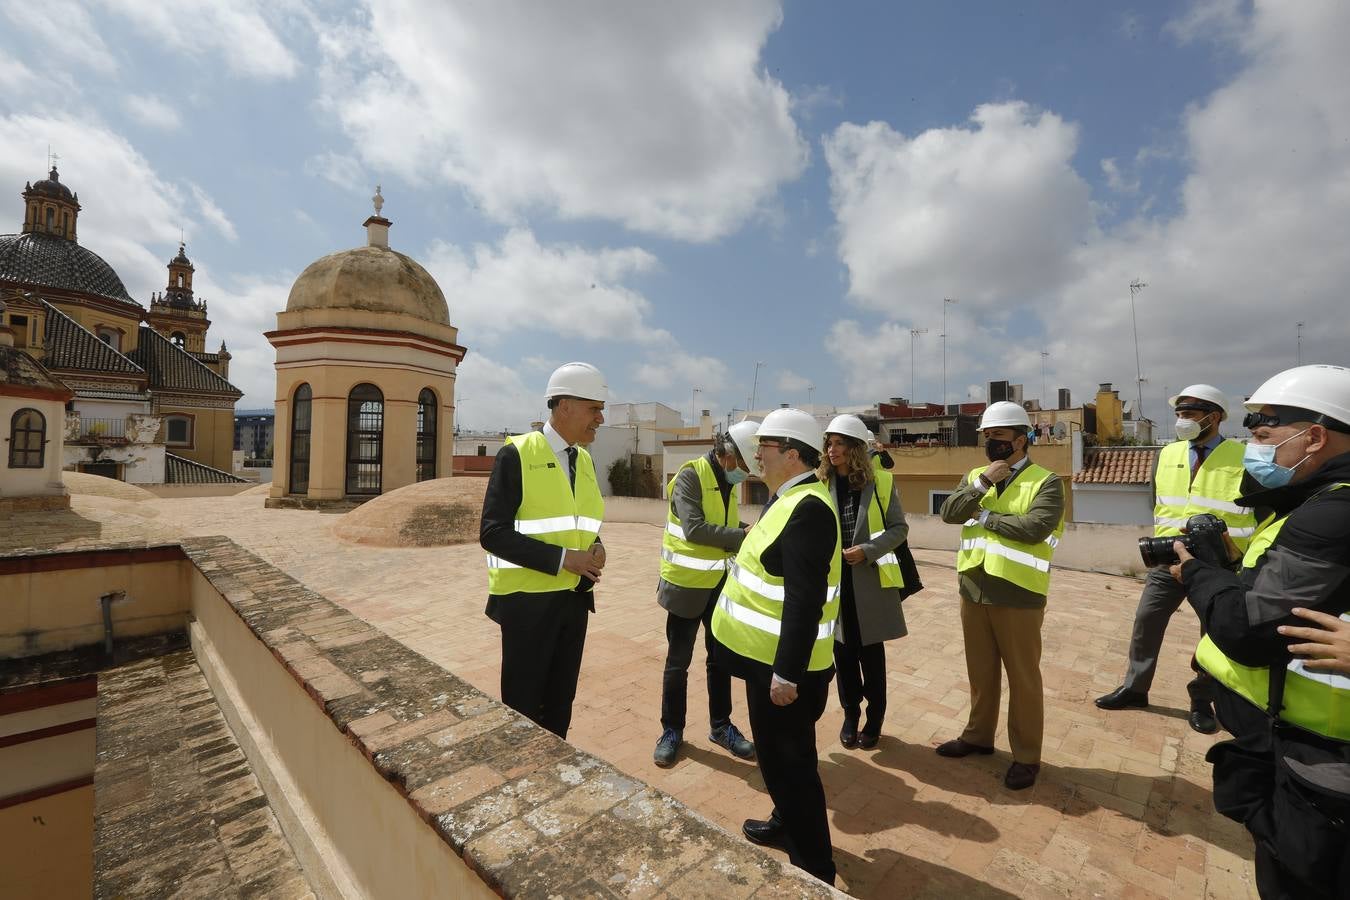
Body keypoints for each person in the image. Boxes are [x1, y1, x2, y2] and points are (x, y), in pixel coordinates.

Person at [1172, 364, 1350, 899]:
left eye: (1264, 429)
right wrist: (1228, 566)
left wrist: (1197, 573)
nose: (1255, 442)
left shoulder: (1332, 512)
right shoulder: (1310, 502)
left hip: (1322, 761)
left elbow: (1245, 629)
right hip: (1292, 740)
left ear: (1315, 435)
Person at [711, 408, 840, 884]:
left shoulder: (808, 509)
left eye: (763, 447)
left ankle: (815, 870)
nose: (755, 455)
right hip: (766, 662)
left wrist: (787, 673)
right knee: (780, 760)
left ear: (791, 453)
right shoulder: (788, 498)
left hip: (785, 673)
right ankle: (787, 824)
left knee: (792, 767)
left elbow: (805, 600)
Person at [1097, 385, 1258, 734]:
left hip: (1217, 565)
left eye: (1189, 413)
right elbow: (1158, 501)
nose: (1182, 419)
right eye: (1180, 413)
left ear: (1213, 417)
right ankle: (1135, 688)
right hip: (1168, 558)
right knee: (1147, 620)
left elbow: (1256, 512)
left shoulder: (1242, 456)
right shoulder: (1167, 454)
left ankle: (1202, 701)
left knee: (1211, 633)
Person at [936, 400, 1065, 790]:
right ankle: (978, 736)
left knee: (1023, 677)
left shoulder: (1047, 481)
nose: (992, 444)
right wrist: (983, 483)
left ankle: (1026, 756)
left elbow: (1033, 528)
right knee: (981, 672)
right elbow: (950, 513)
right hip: (973, 588)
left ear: (1023, 439)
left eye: (1000, 437)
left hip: (1019, 593)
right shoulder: (977, 476)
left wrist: (986, 516)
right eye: (987, 437)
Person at [480, 362, 607, 739]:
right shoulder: (516, 454)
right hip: (527, 605)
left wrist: (596, 547)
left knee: (559, 705)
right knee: (523, 709)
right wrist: (565, 559)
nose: (600, 419)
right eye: (594, 408)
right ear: (564, 406)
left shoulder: (582, 459)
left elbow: (581, 522)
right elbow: (493, 533)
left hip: (573, 601)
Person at [652, 420, 759, 767]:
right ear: (728, 455)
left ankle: (721, 727)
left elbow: (724, 525)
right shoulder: (690, 476)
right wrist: (744, 535)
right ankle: (671, 731)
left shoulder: (725, 481)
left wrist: (747, 530)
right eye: (743, 467)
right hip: (685, 586)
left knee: (720, 660)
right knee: (677, 663)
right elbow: (695, 529)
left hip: (719, 587)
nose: (744, 474)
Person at [821, 414, 909, 750]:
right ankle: (850, 714)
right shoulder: (819, 484)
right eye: (829, 443)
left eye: (839, 443)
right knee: (842, 654)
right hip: (834, 583)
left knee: (871, 655)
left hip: (869, 582)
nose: (832, 450)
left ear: (856, 448)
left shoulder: (881, 482)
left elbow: (899, 529)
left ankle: (874, 719)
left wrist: (868, 550)